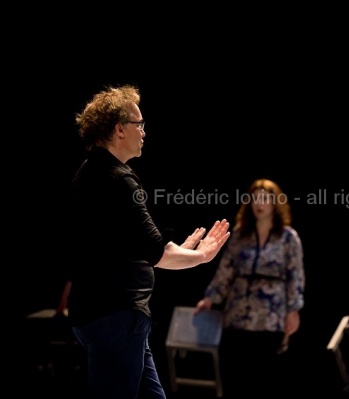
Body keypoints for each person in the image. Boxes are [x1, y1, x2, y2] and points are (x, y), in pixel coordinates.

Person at [66, 84, 231, 399]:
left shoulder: (89, 173)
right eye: (138, 124)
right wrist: (202, 256)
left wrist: (180, 251)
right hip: (116, 319)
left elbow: (127, 249)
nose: (144, 132)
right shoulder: (119, 180)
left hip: (107, 317)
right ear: (119, 130)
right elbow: (157, 252)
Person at [194, 178, 305, 399]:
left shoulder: (287, 237)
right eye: (255, 199)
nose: (259, 204)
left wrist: (293, 310)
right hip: (238, 316)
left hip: (270, 318)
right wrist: (210, 298)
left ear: (275, 203)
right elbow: (226, 270)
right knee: (236, 379)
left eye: (264, 198)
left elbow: (296, 276)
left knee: (263, 381)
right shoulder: (240, 234)